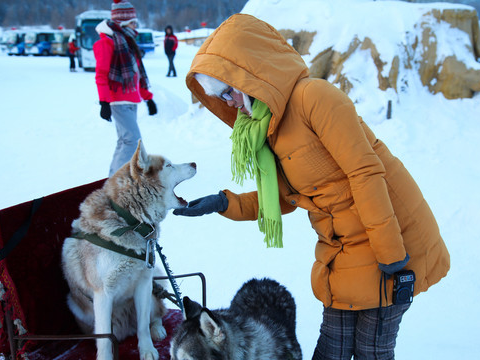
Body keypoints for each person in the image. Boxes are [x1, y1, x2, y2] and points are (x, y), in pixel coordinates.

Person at [175, 14, 450, 360]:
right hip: (343, 249)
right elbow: (283, 199)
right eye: (222, 96)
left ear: (253, 74)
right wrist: (222, 203)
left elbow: (365, 173)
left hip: (393, 237)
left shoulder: (314, 98)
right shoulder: (266, 129)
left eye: (230, 90)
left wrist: (391, 254)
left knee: (371, 351)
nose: (229, 102)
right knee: (330, 351)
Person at [93, 0, 157, 176]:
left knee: (124, 141)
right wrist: (104, 102)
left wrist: (148, 97)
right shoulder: (107, 43)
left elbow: (136, 75)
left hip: (130, 100)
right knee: (132, 141)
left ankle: (114, 175)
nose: (135, 25)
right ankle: (115, 179)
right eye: (132, 22)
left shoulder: (127, 42)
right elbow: (102, 75)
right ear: (122, 22)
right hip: (118, 101)